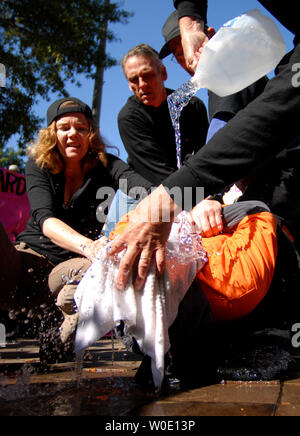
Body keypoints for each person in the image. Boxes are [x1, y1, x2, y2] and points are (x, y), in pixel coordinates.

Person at [108, 0, 300, 293]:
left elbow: (227, 137)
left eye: (147, 75)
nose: (187, 58)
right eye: (178, 53)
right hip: (193, 190)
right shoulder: (133, 116)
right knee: (124, 206)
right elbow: (178, 166)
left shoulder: (228, 78)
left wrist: (197, 197)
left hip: (269, 189)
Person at [0, 97, 153, 353]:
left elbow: (149, 191)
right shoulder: (38, 165)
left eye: (81, 128)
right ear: (52, 133)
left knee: (105, 267)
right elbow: (46, 220)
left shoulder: (107, 165)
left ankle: (67, 325)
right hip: (26, 263)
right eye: (64, 128)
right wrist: (90, 246)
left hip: (70, 268)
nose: (73, 134)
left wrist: (194, 201)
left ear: (90, 133)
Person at [104, 43, 209, 235]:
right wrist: (193, 203)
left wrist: (206, 199)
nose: (142, 84)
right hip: (141, 189)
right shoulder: (128, 117)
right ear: (129, 84)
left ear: (163, 73)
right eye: (134, 79)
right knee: (114, 247)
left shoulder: (192, 106)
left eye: (148, 75)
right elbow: (157, 170)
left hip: (190, 185)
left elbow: (204, 155)